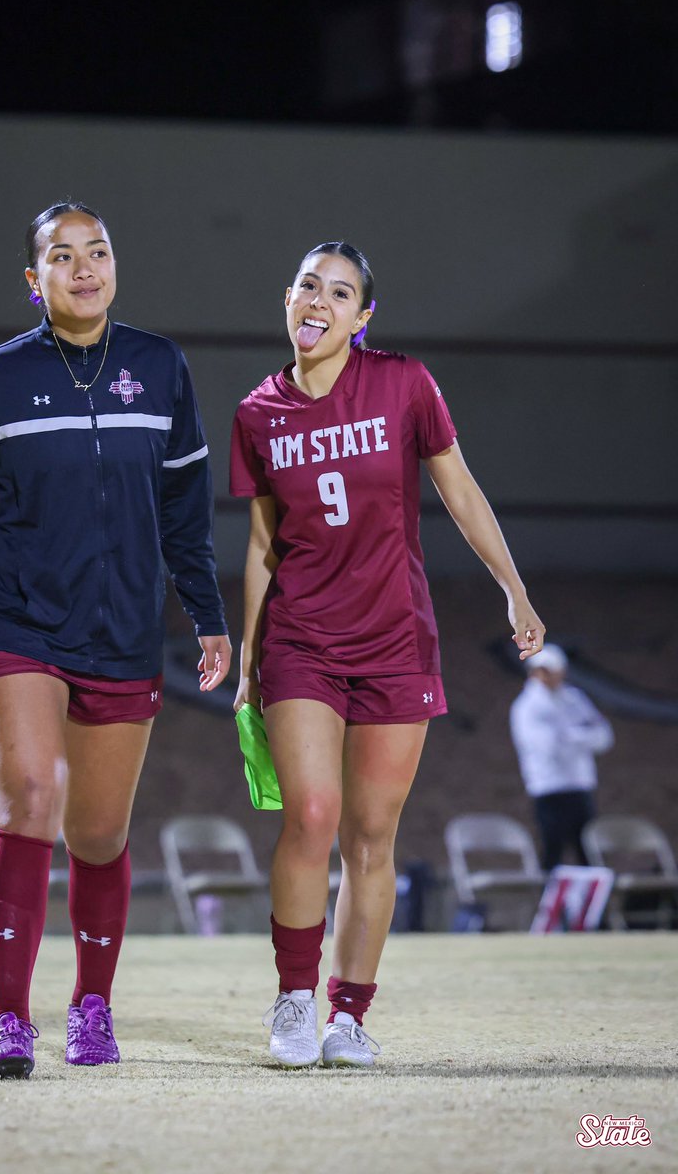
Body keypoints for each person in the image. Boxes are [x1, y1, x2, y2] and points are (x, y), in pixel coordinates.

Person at [0, 201, 231, 1078]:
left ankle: (92, 1008)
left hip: (120, 625)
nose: (85, 268)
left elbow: (186, 512)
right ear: (33, 282)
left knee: (101, 835)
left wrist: (207, 611)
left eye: (99, 252)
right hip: (12, 618)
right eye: (63, 257)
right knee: (29, 796)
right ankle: (8, 1022)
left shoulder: (159, 368)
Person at [230, 241, 545, 1070]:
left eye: (340, 293)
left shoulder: (405, 383)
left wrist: (513, 588)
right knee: (314, 815)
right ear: (287, 296)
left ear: (363, 318)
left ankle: (349, 1015)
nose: (318, 301)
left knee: (371, 835)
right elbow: (263, 543)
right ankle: (295, 1000)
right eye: (306, 284)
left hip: (395, 639)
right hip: (301, 638)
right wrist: (248, 660)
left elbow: (460, 489)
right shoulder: (258, 411)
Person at [510, 643, 613, 870]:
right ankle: (550, 903)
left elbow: (604, 736)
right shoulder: (527, 707)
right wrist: (581, 737)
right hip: (548, 788)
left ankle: (590, 904)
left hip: (580, 785)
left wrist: (571, 737)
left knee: (587, 851)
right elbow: (548, 747)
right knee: (552, 850)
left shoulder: (574, 699)